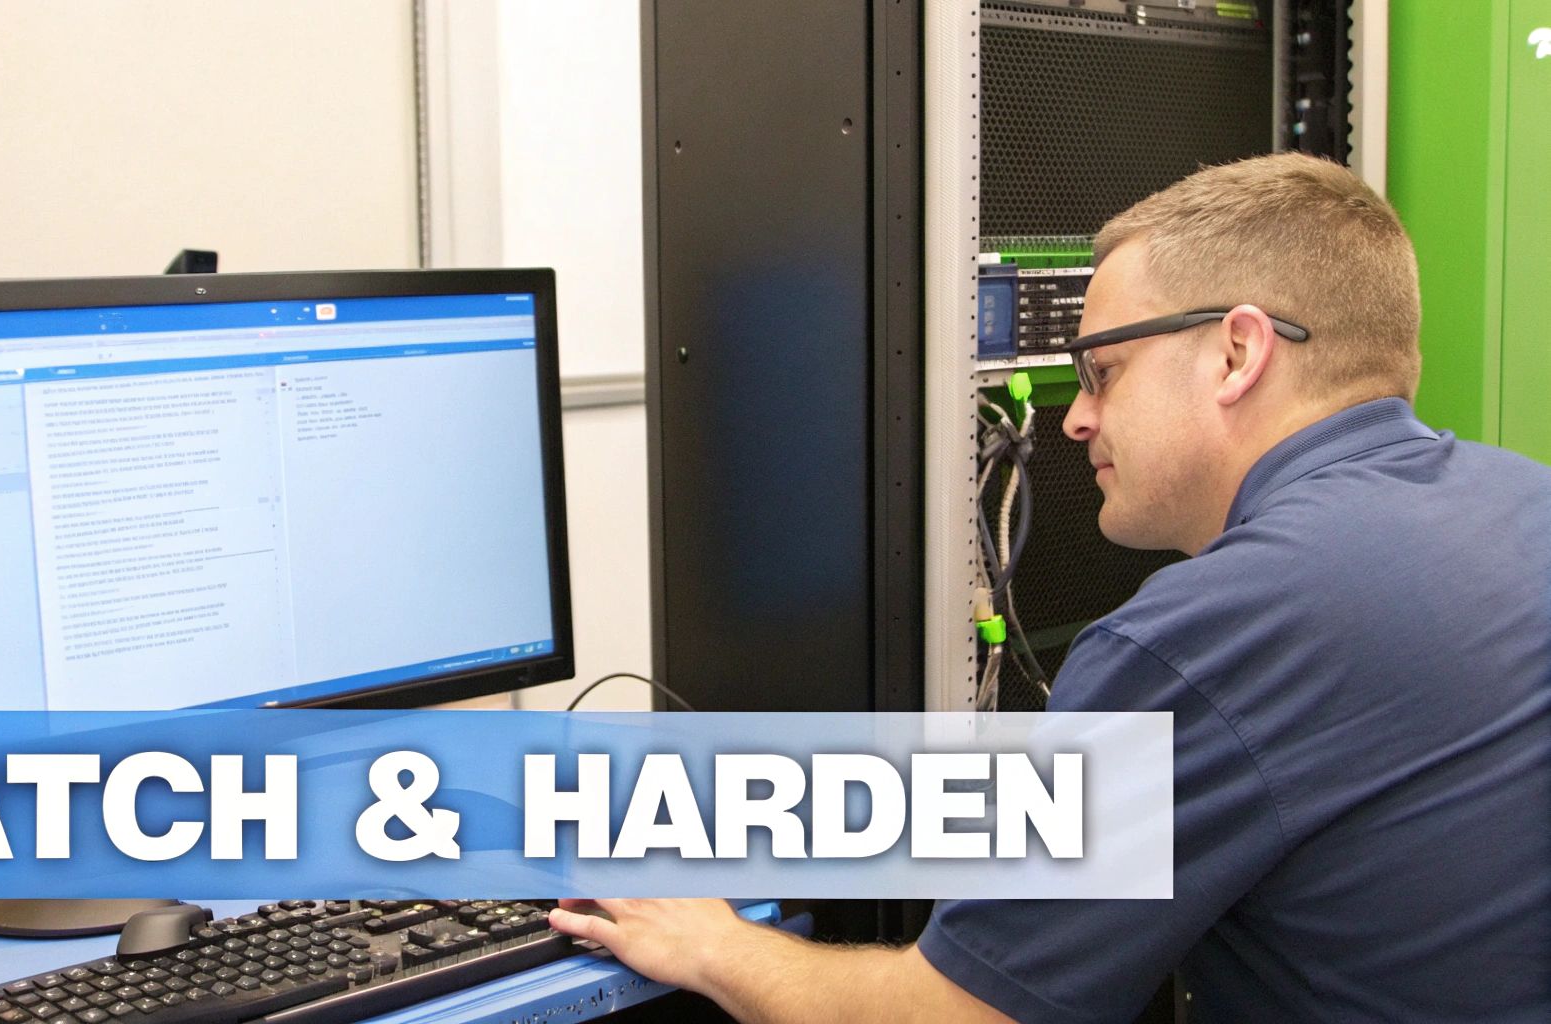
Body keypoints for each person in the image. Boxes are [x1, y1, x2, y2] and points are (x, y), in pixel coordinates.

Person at [548, 153, 1551, 1022]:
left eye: (1103, 371)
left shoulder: (1201, 636)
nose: (1075, 419)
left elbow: (961, 1014)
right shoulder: (1522, 503)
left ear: (1237, 353)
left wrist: (715, 944)